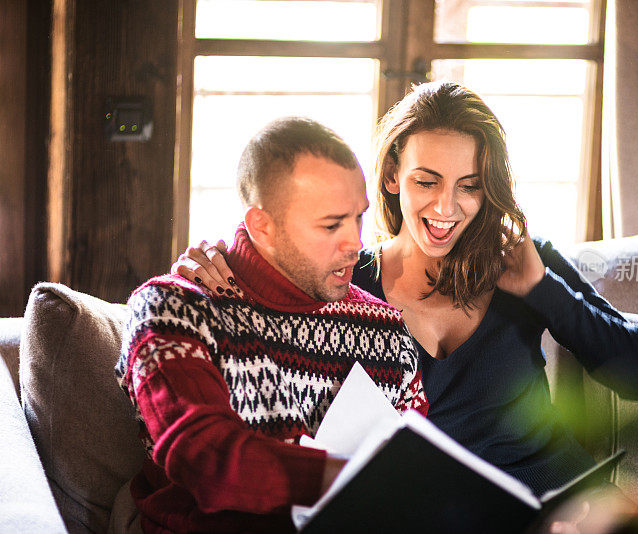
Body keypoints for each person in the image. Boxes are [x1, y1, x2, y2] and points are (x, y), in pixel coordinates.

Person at [176, 81, 638, 497]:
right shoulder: (342, 281)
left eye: (469, 185)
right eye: (426, 181)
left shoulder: (527, 260)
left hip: (564, 505)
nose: (446, 208)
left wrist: (543, 289)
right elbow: (260, 268)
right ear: (391, 175)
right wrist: (199, 269)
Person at [116, 117, 428, 533]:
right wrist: (355, 481)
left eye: (358, 217)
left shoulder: (386, 330)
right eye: (331, 224)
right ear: (262, 225)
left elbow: (416, 464)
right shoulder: (175, 307)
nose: (355, 242)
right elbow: (205, 457)